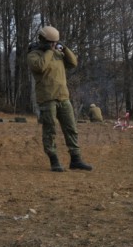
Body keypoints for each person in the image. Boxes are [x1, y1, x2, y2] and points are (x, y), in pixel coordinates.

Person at [27, 25, 93, 172]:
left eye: (54, 42)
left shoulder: (57, 53)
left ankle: (76, 159)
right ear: (43, 40)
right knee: (50, 130)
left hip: (63, 96)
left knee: (71, 129)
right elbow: (40, 67)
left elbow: (73, 63)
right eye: (51, 42)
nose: (53, 44)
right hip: (47, 98)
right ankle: (54, 160)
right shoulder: (34, 55)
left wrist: (64, 47)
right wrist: (50, 50)